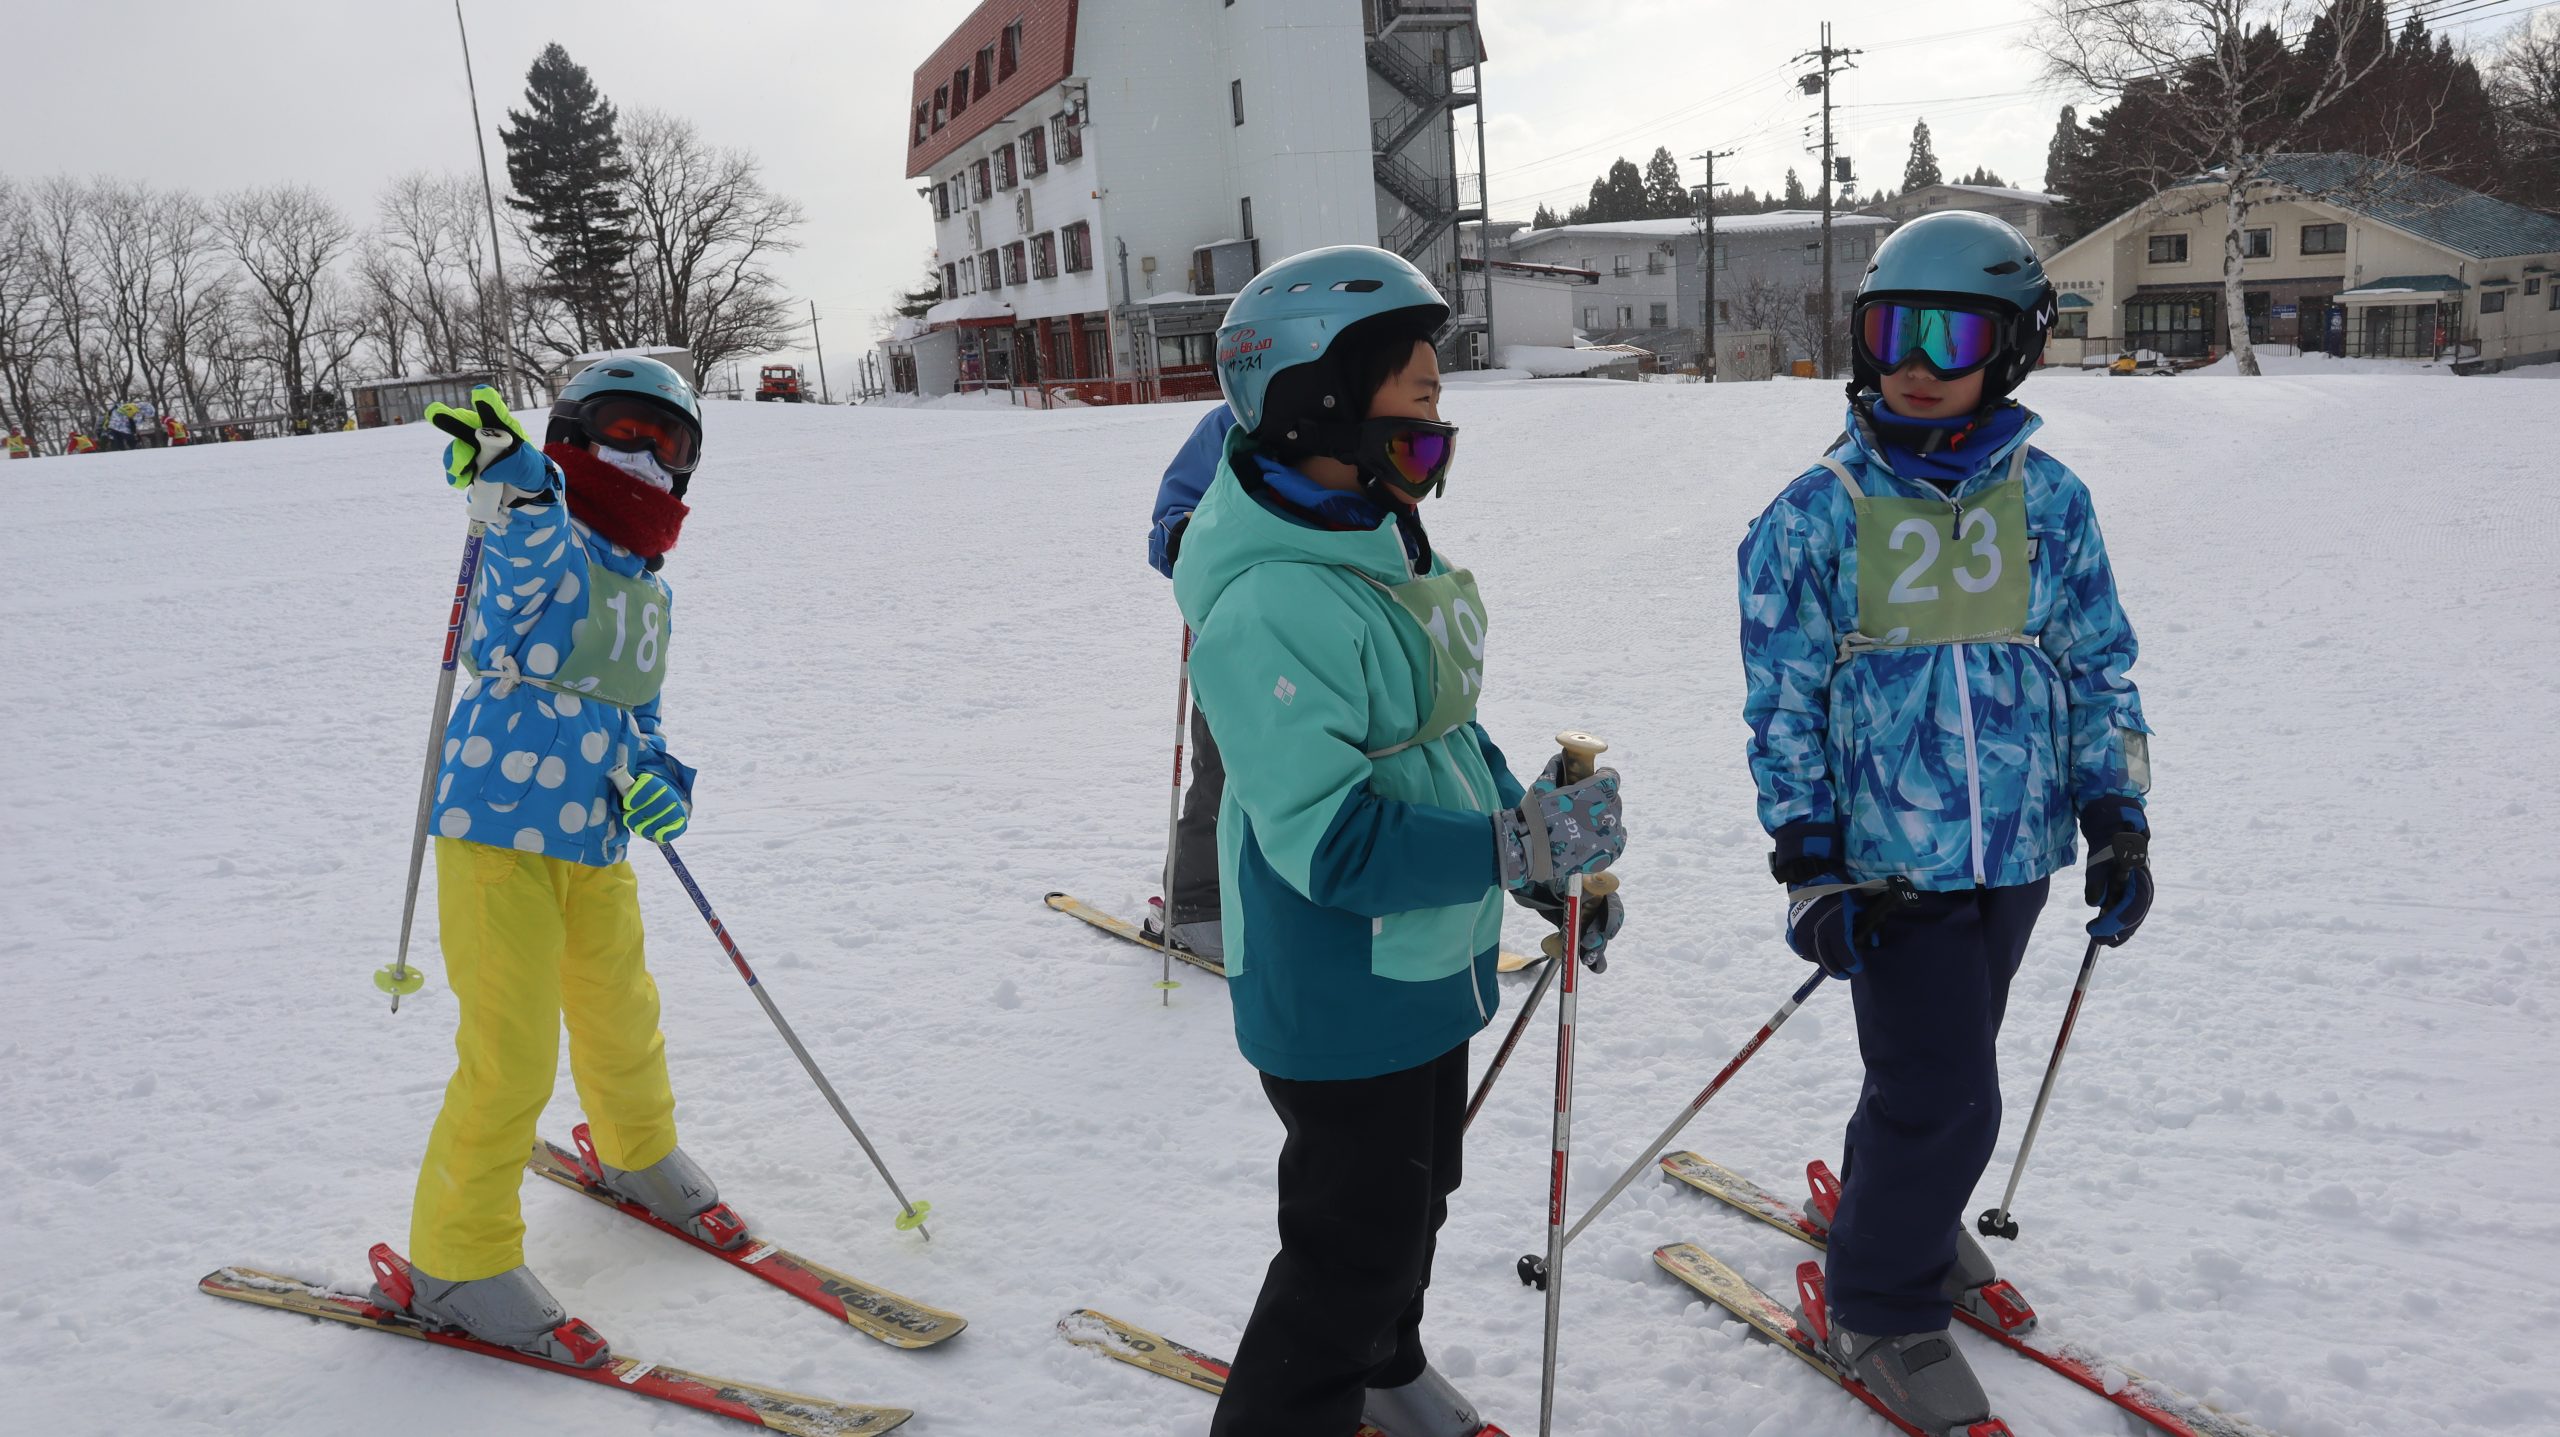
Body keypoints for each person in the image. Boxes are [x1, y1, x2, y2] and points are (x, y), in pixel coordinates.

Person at [1174, 245, 1628, 1437]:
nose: (1439, 427)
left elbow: (1441, 737)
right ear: (1318, 400)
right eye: (1418, 401)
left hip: (1424, 961)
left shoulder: (1379, 547)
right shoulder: (1272, 604)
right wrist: (1506, 850)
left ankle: (1383, 1364)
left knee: (1419, 1199)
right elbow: (1329, 844)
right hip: (1340, 991)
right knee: (1347, 1245)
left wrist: (1538, 855)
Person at [1736, 209, 2154, 1436]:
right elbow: (1782, 704)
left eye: (1950, 332)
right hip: (1887, 867)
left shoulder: (2050, 502)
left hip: (2015, 849)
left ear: (2011, 348)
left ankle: (1892, 1204)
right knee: (1948, 1092)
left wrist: (2114, 812)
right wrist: (1810, 862)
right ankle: (1875, 1299)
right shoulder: (1812, 514)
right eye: (1887, 331)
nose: (1912, 360)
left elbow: (2097, 666)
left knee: (1941, 1067)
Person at [374, 357, 740, 1366]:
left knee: (622, 1005)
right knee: (513, 1046)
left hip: (594, 837)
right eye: (625, 430)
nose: (647, 457)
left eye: (672, 444)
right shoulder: (535, 541)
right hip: (495, 834)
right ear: (575, 434)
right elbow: (531, 546)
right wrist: (519, 477)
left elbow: (643, 715)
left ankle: (637, 1149)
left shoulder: (644, 589)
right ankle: (458, 1257)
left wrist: (665, 777)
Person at [1142, 403, 1238, 960]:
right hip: (1234, 644)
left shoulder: (1365, 412)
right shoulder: (1234, 423)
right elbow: (1171, 516)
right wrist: (1184, 541)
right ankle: (1195, 906)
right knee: (1223, 774)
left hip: (1340, 636)